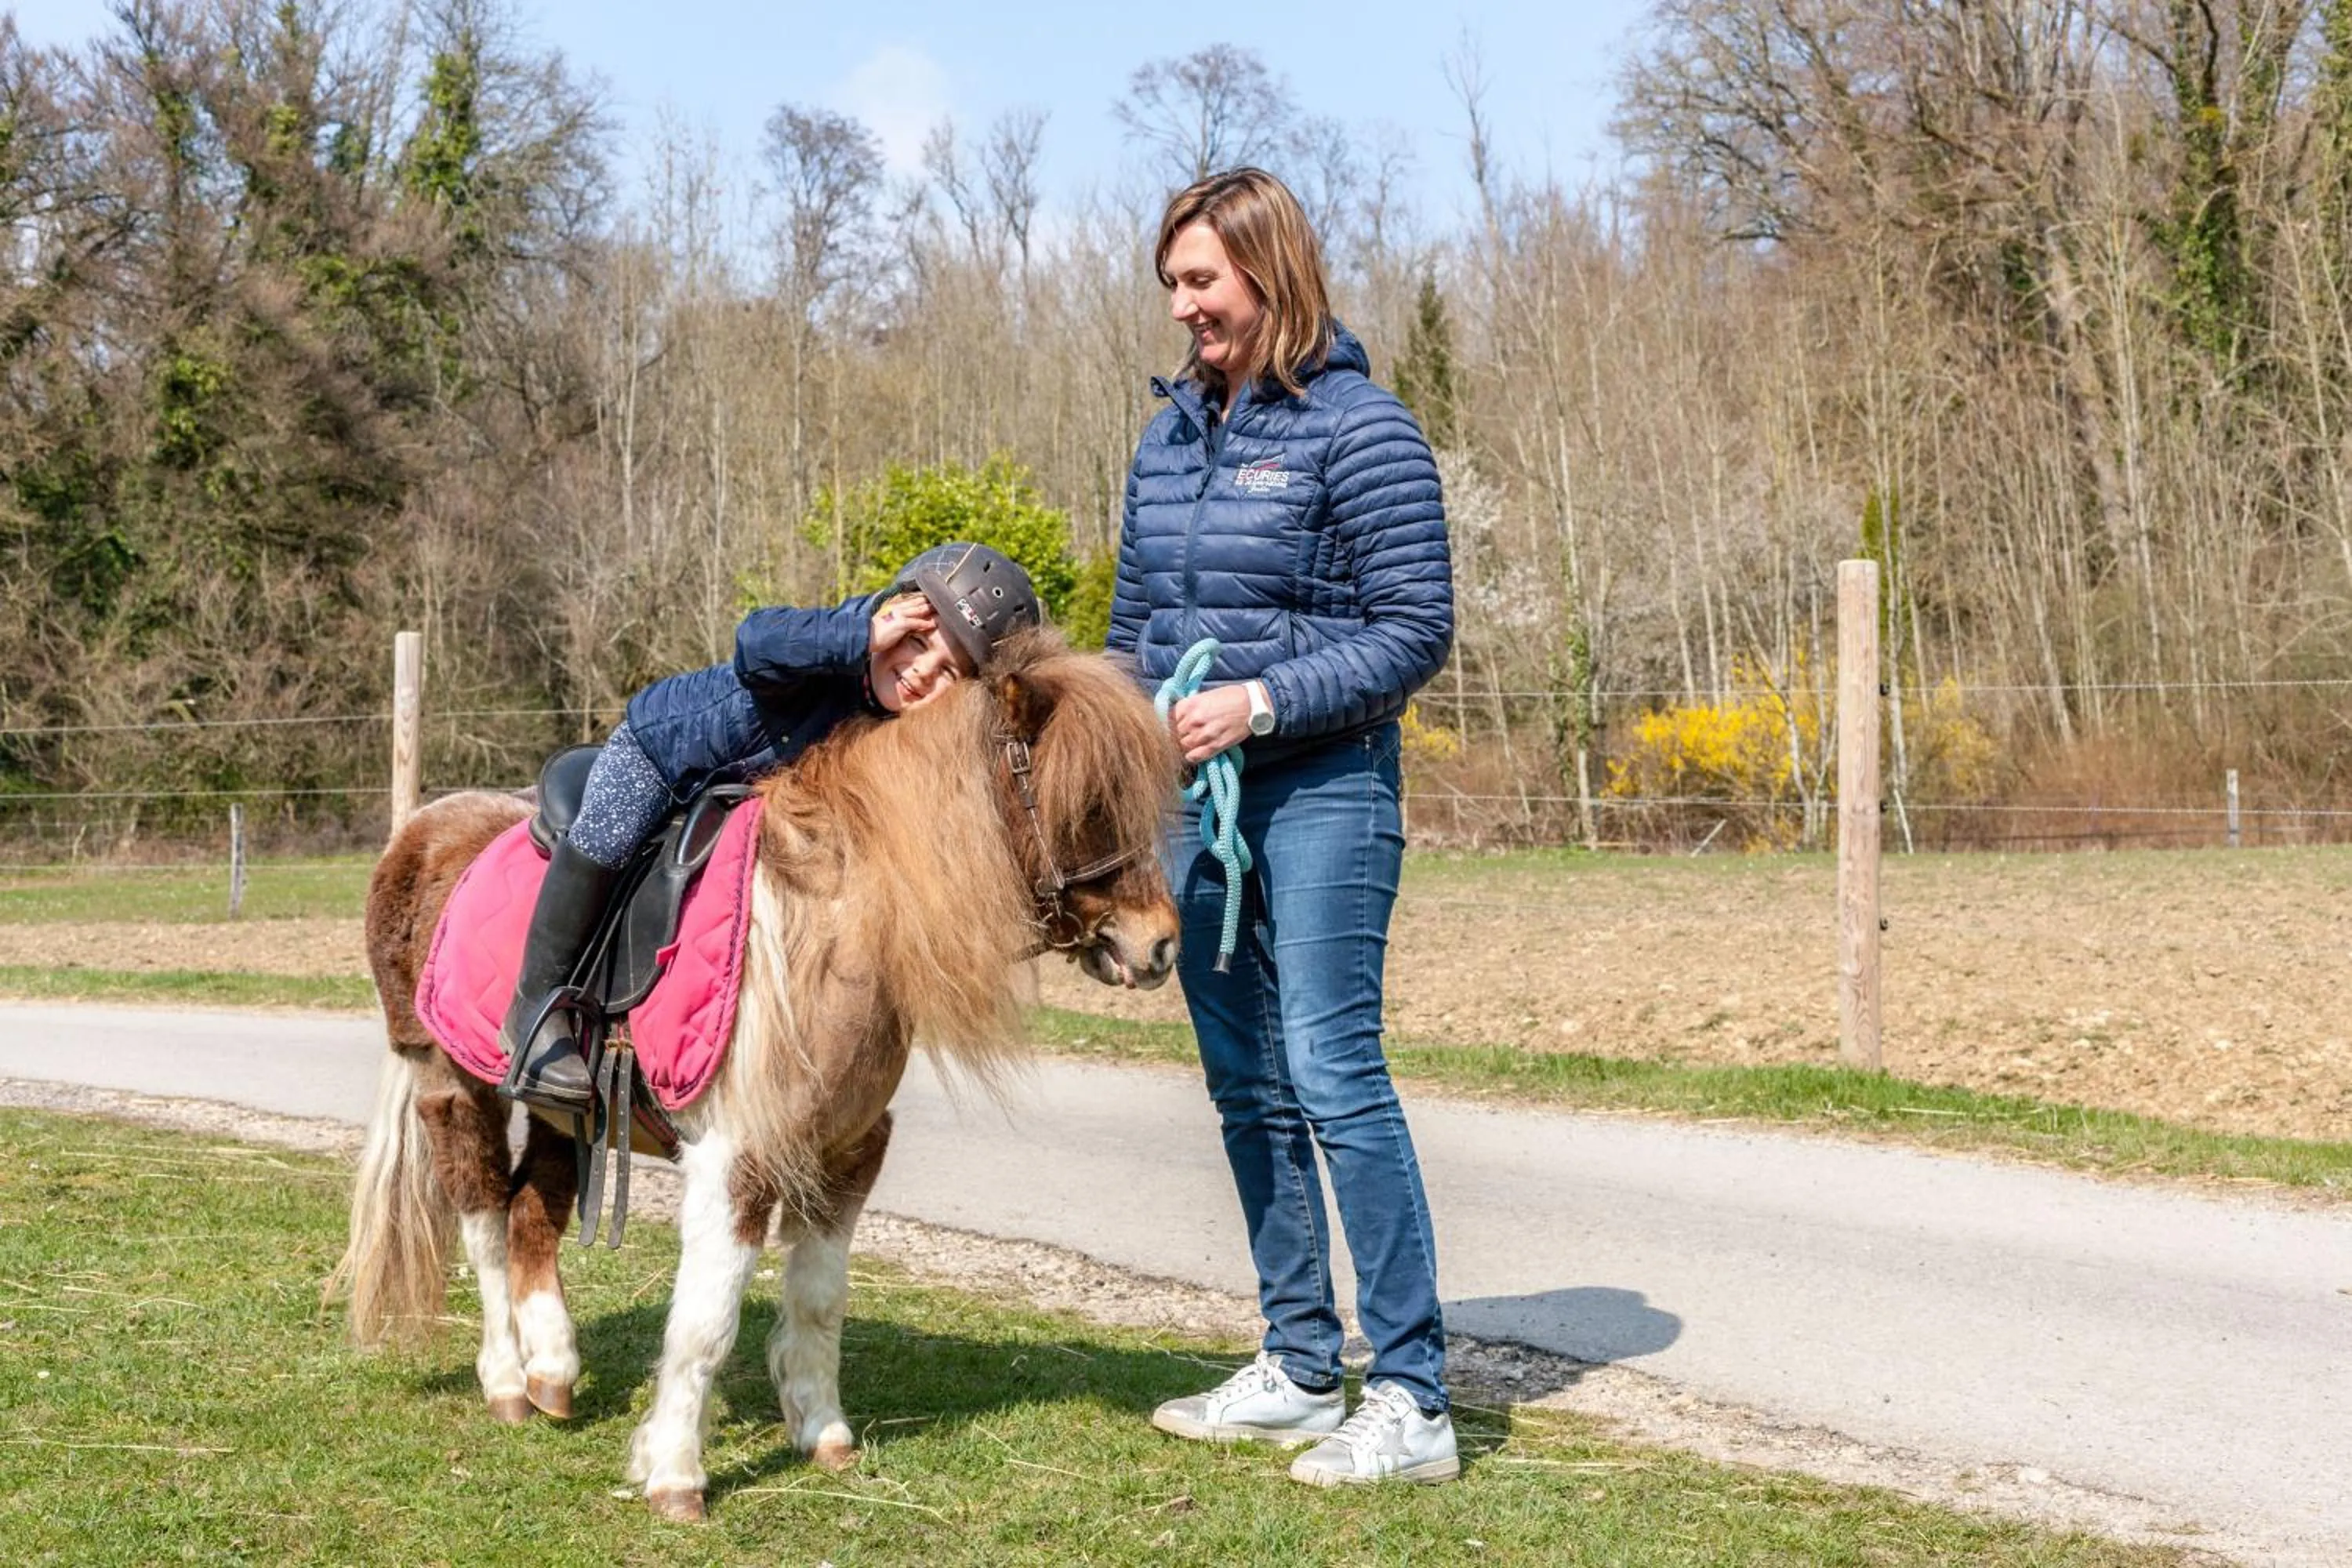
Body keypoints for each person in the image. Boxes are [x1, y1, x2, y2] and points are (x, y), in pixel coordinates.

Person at [1109, 168, 1458, 1486]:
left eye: (1203, 280)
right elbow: (1136, 630)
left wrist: (1261, 701)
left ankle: (1414, 1395)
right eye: (1175, 287)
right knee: (1243, 1084)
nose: (1186, 308)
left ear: (1270, 269)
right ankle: (1303, 1365)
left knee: (1331, 1074)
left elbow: (1414, 633)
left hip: (1324, 792)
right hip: (1198, 806)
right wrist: (1126, 739)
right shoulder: (1167, 439)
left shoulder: (1363, 430)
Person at [500, 542, 1042, 1113]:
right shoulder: (831, 642)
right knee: (608, 834)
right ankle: (536, 1003)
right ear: (891, 615)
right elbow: (754, 643)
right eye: (916, 642)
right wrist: (858, 635)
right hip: (665, 754)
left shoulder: (908, 737)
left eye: (948, 673)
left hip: (751, 800)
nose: (919, 673)